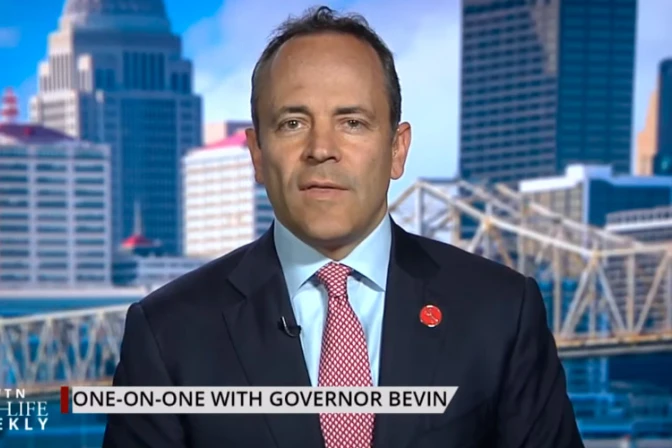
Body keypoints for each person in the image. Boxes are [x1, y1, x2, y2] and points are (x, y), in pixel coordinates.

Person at [102, 5, 584, 448]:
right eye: (293, 123)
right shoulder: (168, 332)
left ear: (397, 149)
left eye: (352, 122)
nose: (321, 149)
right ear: (257, 154)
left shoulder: (501, 311)